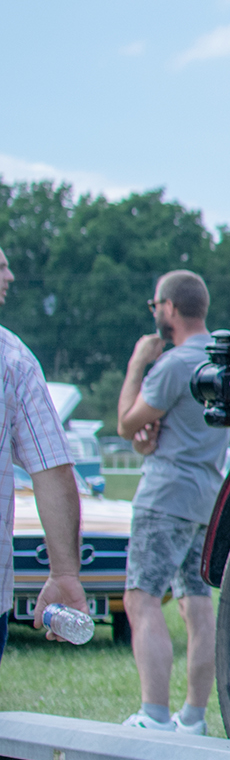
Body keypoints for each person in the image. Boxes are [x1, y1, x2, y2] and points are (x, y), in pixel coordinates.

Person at [116, 269, 228, 733]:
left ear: (169, 308)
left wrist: (137, 364)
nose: (155, 313)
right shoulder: (223, 360)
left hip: (165, 496)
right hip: (207, 497)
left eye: (155, 306)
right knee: (197, 604)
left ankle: (154, 714)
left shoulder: (174, 363)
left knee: (140, 599)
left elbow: (127, 421)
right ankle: (193, 718)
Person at [0, 246, 87, 661]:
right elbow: (51, 469)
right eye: (0, 266)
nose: (11, 276)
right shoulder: (11, 358)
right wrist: (65, 573)